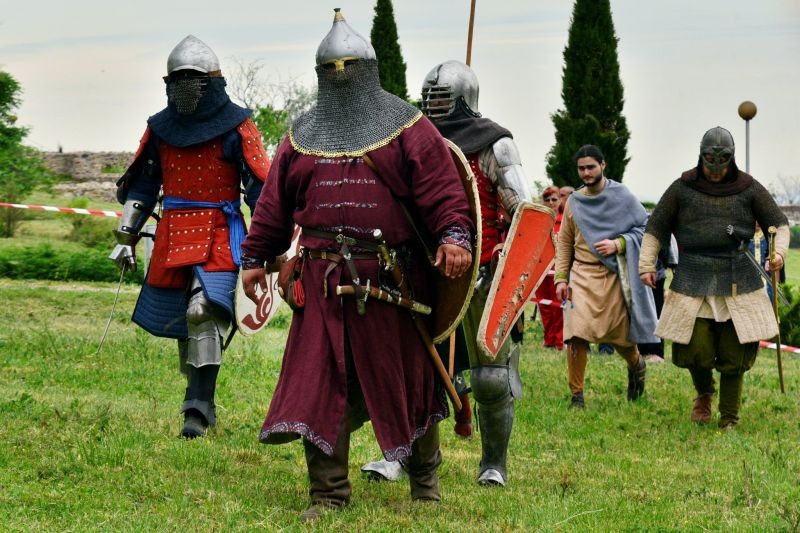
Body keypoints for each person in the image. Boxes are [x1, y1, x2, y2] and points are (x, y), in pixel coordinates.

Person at [239, 10, 474, 521]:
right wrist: (256, 256)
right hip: (322, 282)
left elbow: (443, 192)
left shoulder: (408, 128)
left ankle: (425, 482)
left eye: (348, 67)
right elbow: (274, 206)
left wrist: (454, 236)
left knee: (408, 379)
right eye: (332, 68)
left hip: (391, 278)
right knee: (317, 383)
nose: (340, 75)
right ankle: (327, 494)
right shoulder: (302, 135)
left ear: (368, 71)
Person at [363, 60, 533, 488]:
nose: (434, 106)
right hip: (421, 270)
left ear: (464, 99)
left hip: (482, 272)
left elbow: (524, 211)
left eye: (442, 98)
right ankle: (399, 455)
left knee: (490, 376)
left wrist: (504, 254)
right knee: (410, 368)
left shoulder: (494, 144)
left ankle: (493, 463)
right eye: (430, 99)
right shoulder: (411, 140)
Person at [109, 35, 269, 438]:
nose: (184, 88)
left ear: (210, 82)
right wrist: (126, 237)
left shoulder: (237, 126)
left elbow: (259, 187)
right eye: (177, 80)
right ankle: (200, 395)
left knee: (203, 310)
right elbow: (144, 185)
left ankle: (197, 407)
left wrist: (270, 240)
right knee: (184, 316)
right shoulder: (160, 128)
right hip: (173, 231)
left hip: (220, 229)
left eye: (191, 80)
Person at [639, 126, 788, 429]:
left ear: (731, 158)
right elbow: (656, 227)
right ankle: (704, 393)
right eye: (710, 160)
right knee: (695, 350)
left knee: (735, 353)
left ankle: (729, 417)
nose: (716, 169)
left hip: (739, 276)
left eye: (722, 161)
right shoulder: (682, 188)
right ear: (701, 156)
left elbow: (779, 224)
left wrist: (780, 254)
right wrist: (646, 265)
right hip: (694, 277)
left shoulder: (749, 188)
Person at [554, 145, 658, 409]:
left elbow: (646, 228)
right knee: (576, 334)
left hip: (614, 275)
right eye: (581, 168)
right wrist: (561, 278)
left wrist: (619, 243)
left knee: (620, 337)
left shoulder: (622, 195)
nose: (586, 173)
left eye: (591, 167)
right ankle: (577, 396)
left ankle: (637, 365)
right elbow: (564, 243)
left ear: (603, 165)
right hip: (581, 275)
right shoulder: (574, 202)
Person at [637, 236, 678, 363]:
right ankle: (640, 350)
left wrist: (672, 262)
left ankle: (655, 351)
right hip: (635, 267)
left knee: (655, 310)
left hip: (656, 270)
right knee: (639, 311)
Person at [536, 185, 564, 350]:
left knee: (558, 307)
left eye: (554, 199)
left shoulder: (565, 221)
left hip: (558, 271)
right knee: (543, 306)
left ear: (560, 201)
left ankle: (560, 341)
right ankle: (549, 339)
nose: (551, 202)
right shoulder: (538, 221)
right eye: (547, 199)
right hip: (541, 271)